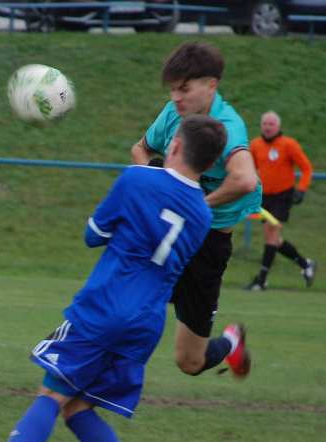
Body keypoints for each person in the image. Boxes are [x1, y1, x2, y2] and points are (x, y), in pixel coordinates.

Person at [0, 115, 227, 442]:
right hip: (145, 325)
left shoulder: (137, 179)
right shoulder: (201, 215)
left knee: (52, 390)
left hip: (104, 308)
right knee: (78, 406)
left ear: (174, 147)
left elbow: (93, 234)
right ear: (210, 165)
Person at [130, 41, 261, 378]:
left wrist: (195, 205)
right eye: (173, 89)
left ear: (211, 85)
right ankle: (70, 345)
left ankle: (231, 342)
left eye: (184, 89)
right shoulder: (173, 113)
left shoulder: (227, 127)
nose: (176, 97)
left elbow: (245, 180)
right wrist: (154, 194)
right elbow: (141, 150)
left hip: (207, 243)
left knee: (190, 362)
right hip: (170, 231)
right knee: (123, 299)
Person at [246, 111, 315, 291]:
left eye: (271, 124)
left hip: (283, 196)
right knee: (273, 239)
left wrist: (301, 189)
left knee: (272, 232)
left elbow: (306, 168)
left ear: (278, 127)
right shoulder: (255, 145)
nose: (267, 127)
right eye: (265, 124)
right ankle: (305, 264)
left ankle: (261, 280)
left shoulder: (288, 144)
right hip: (265, 197)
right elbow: (249, 169)